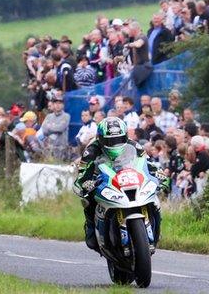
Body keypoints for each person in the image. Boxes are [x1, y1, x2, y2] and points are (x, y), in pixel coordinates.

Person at [73, 117, 169, 252]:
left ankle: (156, 228)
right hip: (101, 180)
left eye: (118, 139)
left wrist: (158, 174)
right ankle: (91, 229)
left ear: (124, 136)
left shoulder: (134, 145)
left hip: (128, 178)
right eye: (110, 141)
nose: (114, 144)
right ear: (100, 138)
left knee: (154, 199)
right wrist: (86, 184)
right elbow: (82, 174)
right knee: (88, 200)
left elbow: (148, 164)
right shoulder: (91, 150)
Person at [39, 93, 70, 161]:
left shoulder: (66, 116)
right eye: (56, 103)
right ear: (53, 104)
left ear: (63, 105)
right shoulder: (48, 116)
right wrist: (55, 126)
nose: (58, 105)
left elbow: (61, 128)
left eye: (60, 103)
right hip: (49, 148)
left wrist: (50, 126)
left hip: (62, 148)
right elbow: (44, 130)